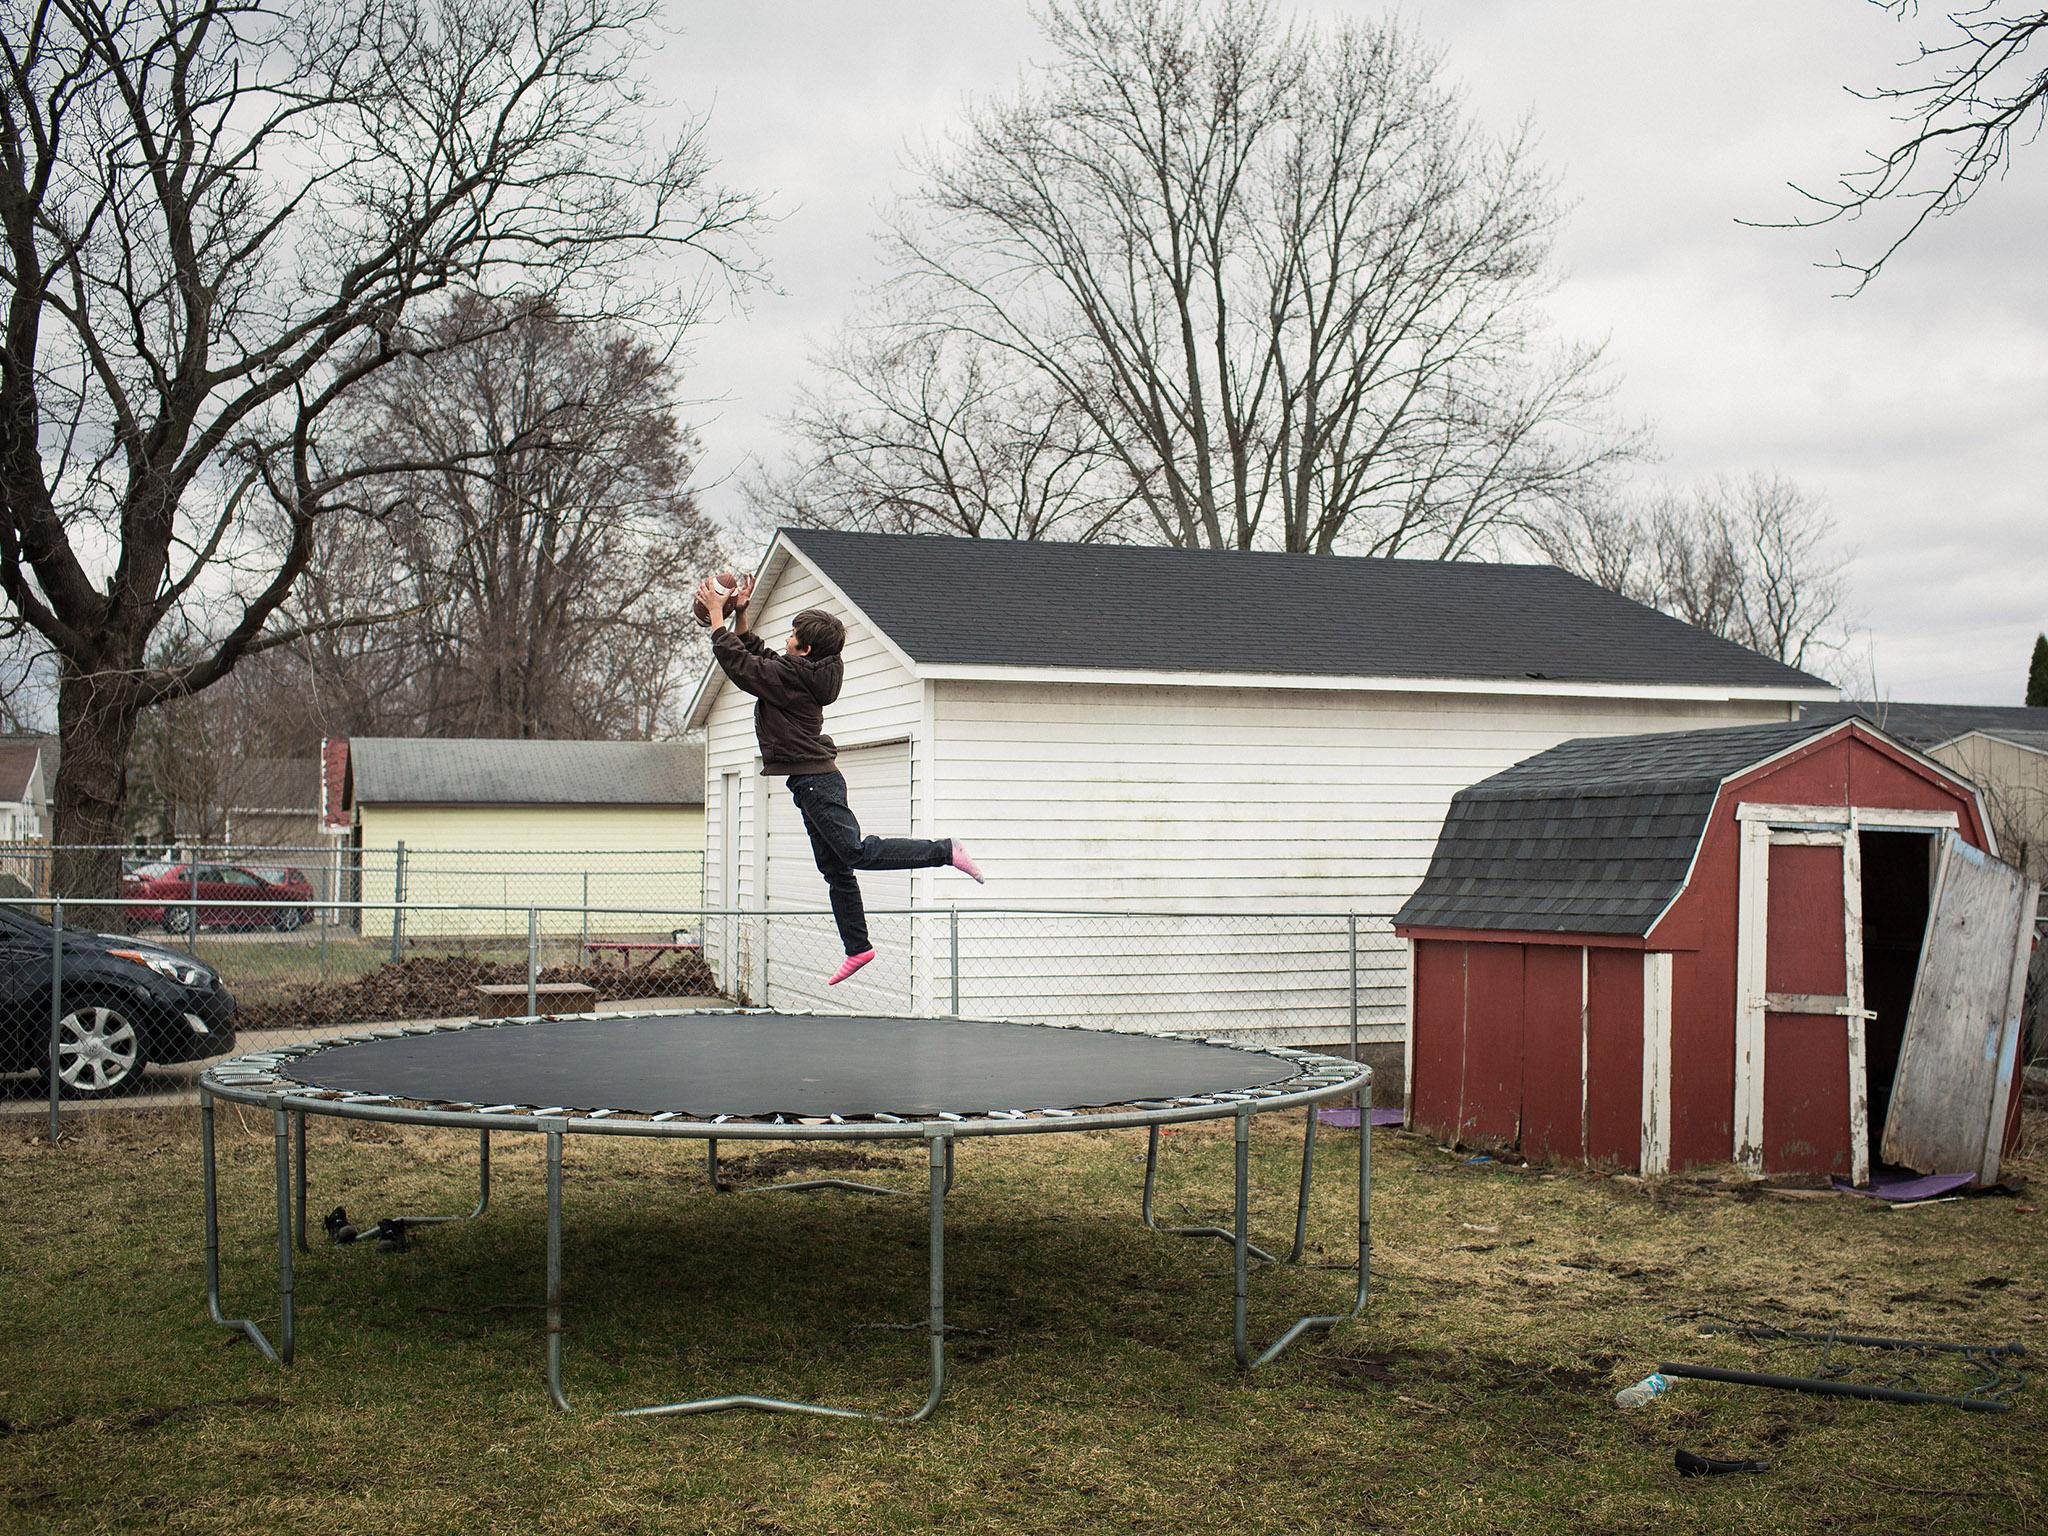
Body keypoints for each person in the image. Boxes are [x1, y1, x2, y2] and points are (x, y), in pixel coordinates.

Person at [700, 574, 983, 985]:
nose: (787, 638)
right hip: (809, 782)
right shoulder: (805, 671)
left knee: (855, 852)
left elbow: (743, 667)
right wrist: (741, 615)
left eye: (793, 634)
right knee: (836, 869)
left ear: (806, 649)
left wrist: (716, 618)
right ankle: (858, 947)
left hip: (816, 782)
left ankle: (944, 850)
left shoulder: (792, 677)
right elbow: (758, 655)